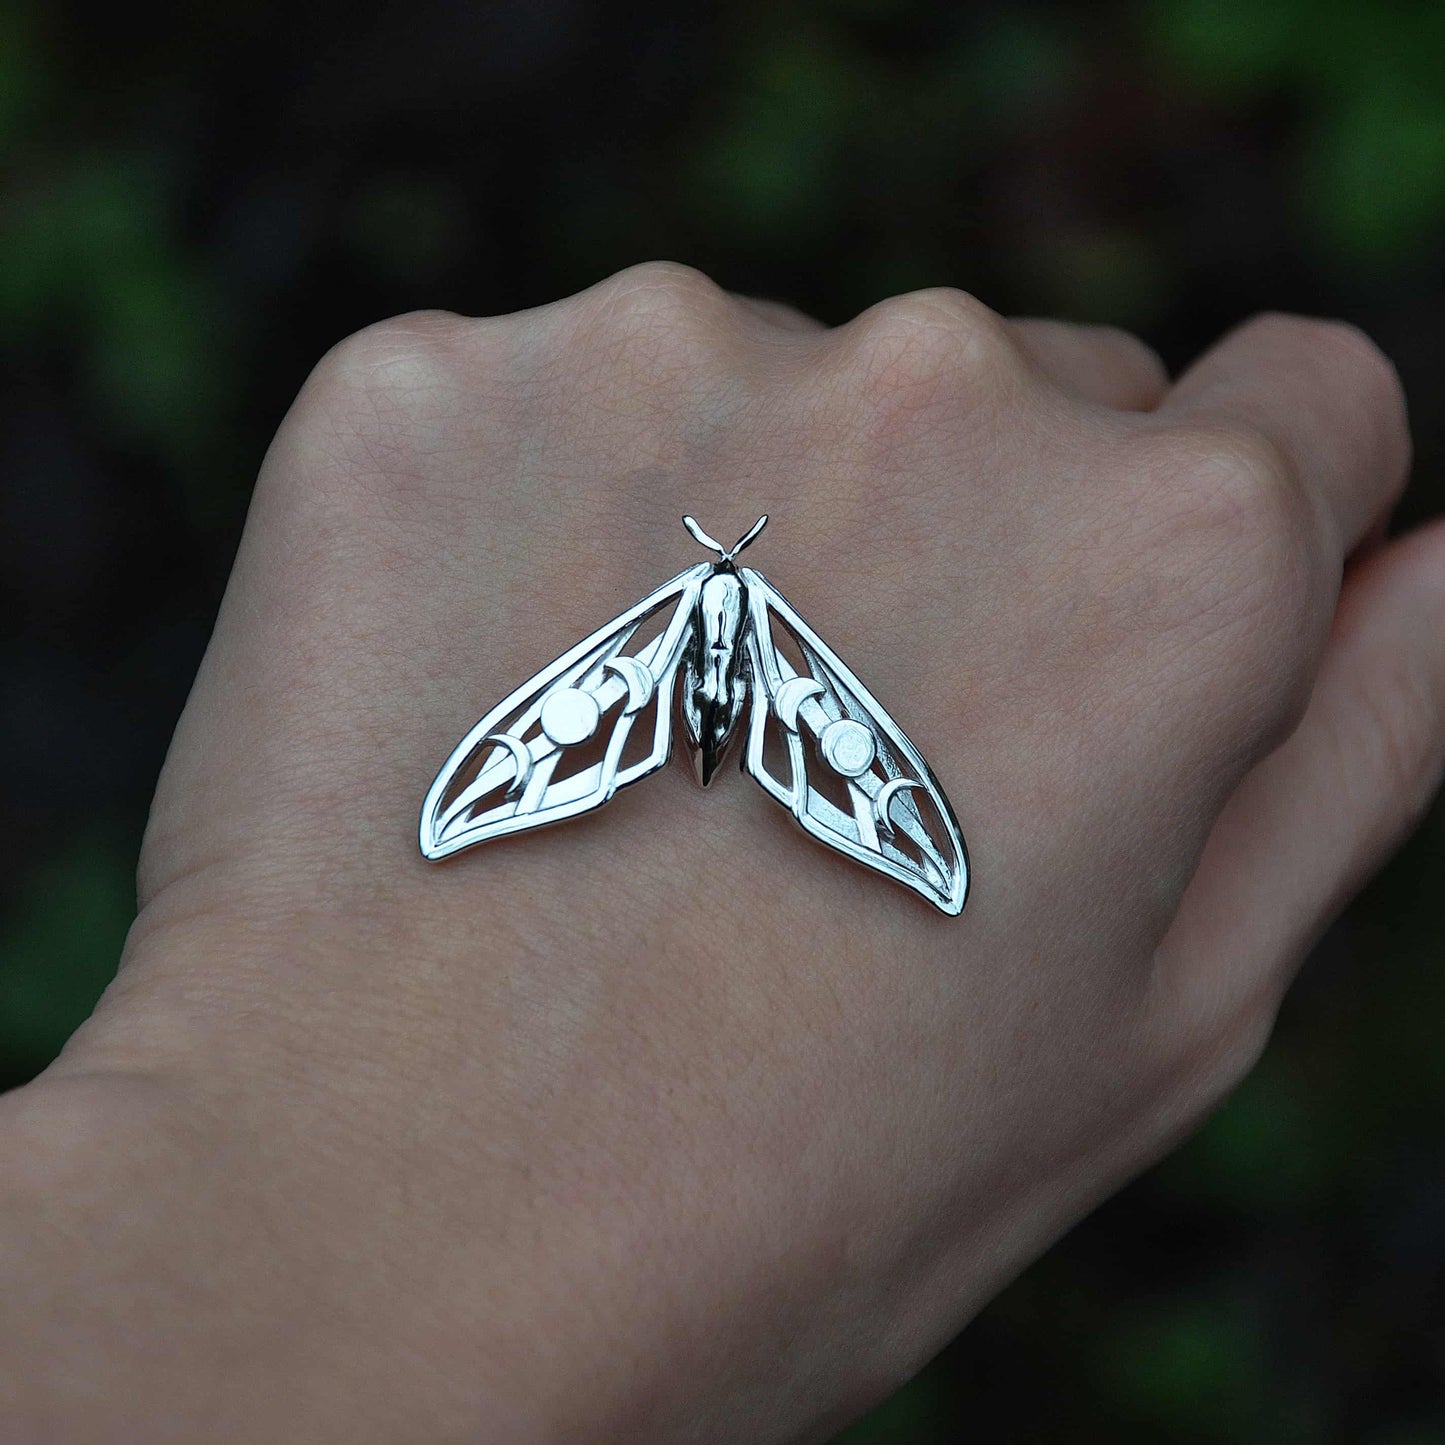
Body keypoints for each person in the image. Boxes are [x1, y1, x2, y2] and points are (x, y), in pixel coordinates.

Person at [2, 262, 1440, 1442]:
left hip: (692, 699)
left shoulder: (710, 623)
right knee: (744, 759)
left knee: (721, 758)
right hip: (700, 698)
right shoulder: (735, 630)